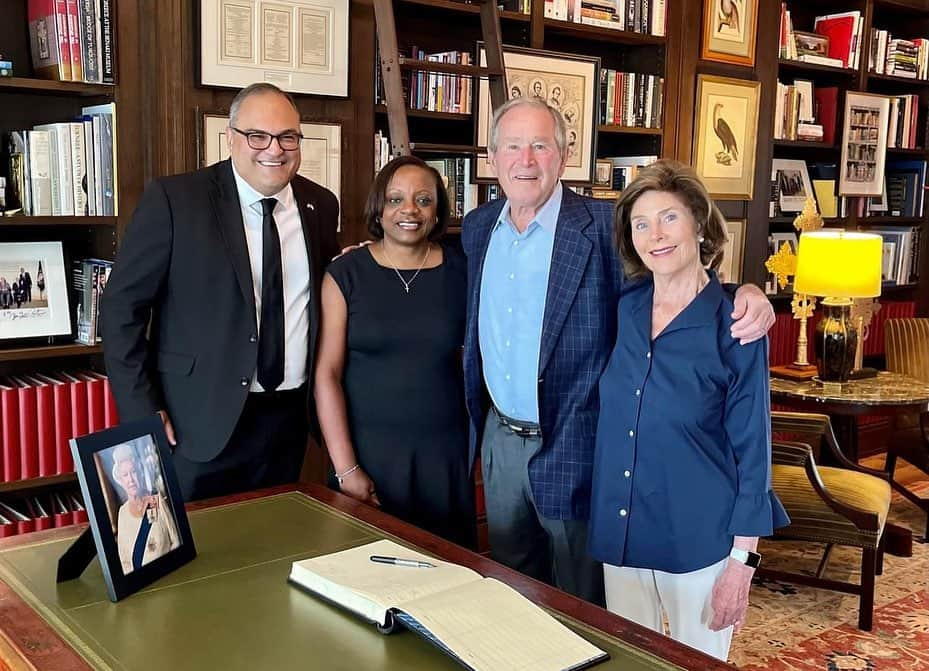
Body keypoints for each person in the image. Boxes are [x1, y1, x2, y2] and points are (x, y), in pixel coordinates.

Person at [460, 97, 774, 604]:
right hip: (500, 443)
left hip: (577, 444)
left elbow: (671, 270)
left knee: (583, 600)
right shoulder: (478, 228)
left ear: (563, 157)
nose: (526, 160)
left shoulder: (606, 226)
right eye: (512, 146)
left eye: (541, 146)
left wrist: (744, 292)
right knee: (511, 588)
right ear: (492, 158)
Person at [588, 159, 789, 659]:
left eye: (669, 218)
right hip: (621, 530)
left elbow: (752, 449)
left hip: (699, 539)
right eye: (641, 223)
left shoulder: (737, 324)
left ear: (699, 222)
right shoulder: (625, 308)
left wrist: (743, 561)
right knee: (627, 662)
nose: (655, 234)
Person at [102, 82, 340, 501]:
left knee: (272, 542)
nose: (275, 149)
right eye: (258, 136)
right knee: (198, 555)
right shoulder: (176, 200)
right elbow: (122, 309)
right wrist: (140, 410)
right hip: (196, 419)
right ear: (230, 138)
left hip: (288, 419)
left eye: (288, 137)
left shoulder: (320, 205)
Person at [314, 156, 474, 546]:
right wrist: (346, 467)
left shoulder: (464, 271)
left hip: (444, 460)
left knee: (446, 582)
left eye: (424, 200)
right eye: (395, 199)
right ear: (378, 210)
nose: (409, 210)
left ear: (438, 213)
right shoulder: (345, 273)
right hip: (368, 457)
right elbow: (326, 376)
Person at [111, 443, 181, 575]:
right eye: (125, 475)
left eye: (134, 472)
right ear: (120, 480)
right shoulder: (122, 513)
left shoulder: (156, 500)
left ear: (140, 474)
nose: (131, 479)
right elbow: (124, 559)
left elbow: (176, 540)